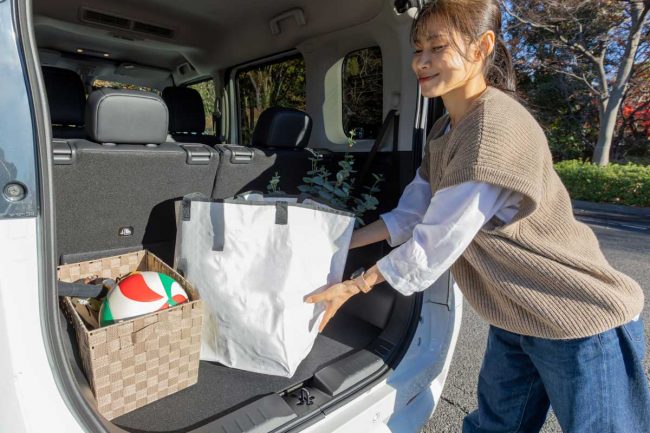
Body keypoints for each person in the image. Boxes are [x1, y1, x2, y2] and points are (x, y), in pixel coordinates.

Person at [305, 1, 650, 432]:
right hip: (516, 313)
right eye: (417, 49)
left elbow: (433, 244)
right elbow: (410, 216)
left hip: (577, 314)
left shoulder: (491, 129)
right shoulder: (446, 130)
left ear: (481, 46)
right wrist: (337, 242)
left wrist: (354, 286)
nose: (422, 62)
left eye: (437, 48)